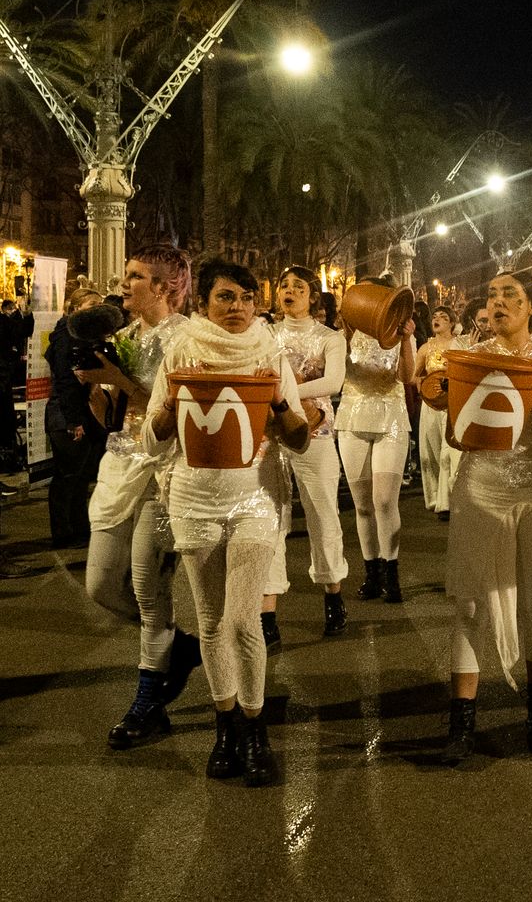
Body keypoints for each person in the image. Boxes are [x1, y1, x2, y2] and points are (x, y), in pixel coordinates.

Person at [146, 260, 311, 787]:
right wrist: (171, 407)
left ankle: (256, 727)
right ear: (204, 304)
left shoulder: (270, 352)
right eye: (225, 297)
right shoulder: (182, 351)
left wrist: (281, 401)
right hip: (194, 500)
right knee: (212, 621)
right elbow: (153, 442)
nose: (237, 306)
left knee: (243, 621)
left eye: (245, 297)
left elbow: (300, 439)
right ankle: (226, 727)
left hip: (255, 500)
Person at [440, 270, 532, 764]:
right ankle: (461, 724)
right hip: (481, 487)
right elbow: (457, 436)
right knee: (470, 602)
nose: (498, 303)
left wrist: (531, 385)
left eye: (511, 296)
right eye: (493, 295)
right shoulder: (471, 357)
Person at [77, 244, 199, 749]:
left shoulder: (188, 340)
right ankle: (182, 647)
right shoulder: (122, 337)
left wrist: (117, 378)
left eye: (135, 276)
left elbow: (174, 410)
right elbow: (111, 416)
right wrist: (93, 383)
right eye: (126, 276)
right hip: (119, 468)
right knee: (101, 584)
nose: (123, 284)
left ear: (166, 287)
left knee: (151, 592)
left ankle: (147, 702)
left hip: (161, 472)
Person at [262, 265, 350, 645]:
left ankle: (333, 594)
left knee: (322, 513)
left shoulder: (330, 338)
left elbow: (333, 382)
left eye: (299, 287)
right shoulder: (264, 335)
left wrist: (287, 389)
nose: (290, 291)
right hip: (270, 434)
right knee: (269, 518)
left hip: (317, 432)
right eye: (285, 286)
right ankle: (267, 613)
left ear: (313, 296)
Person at [335, 276, 416, 604]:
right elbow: (335, 374)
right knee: (363, 503)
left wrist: (407, 340)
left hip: (390, 416)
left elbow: (408, 377)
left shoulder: (398, 332)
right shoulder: (343, 334)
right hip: (353, 415)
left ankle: (391, 569)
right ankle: (371, 572)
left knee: (385, 500)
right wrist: (343, 334)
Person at [45, 286, 107, 549]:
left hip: (79, 413)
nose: (96, 310)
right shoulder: (66, 335)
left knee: (79, 477)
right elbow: (65, 381)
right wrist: (73, 421)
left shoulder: (81, 335)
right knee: (68, 477)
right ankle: (64, 532)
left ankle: (79, 528)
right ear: (74, 309)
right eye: (91, 306)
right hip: (67, 415)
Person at [414, 305, 459, 518]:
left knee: (448, 452)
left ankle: (447, 501)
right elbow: (412, 376)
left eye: (443, 316)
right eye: (434, 316)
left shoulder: (460, 345)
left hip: (452, 403)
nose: (437, 319)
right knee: (430, 451)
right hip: (431, 404)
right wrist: (422, 382)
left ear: (451, 322)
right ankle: (434, 497)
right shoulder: (426, 348)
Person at [0, 296, 33, 471]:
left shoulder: (3, 321)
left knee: (6, 422)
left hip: (2, 380)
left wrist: (26, 315)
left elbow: (20, 331)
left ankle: (6, 462)